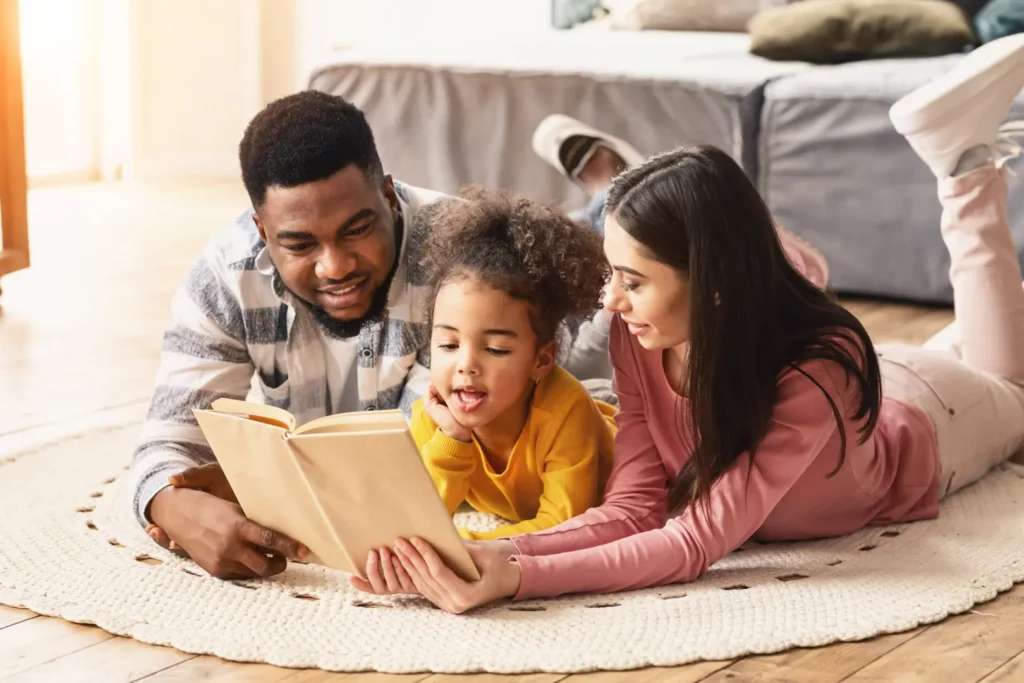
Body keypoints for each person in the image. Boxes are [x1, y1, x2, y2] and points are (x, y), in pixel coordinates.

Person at [356, 34, 1024, 613]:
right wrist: (487, 550)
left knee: (1009, 385)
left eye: (635, 280)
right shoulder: (639, 332)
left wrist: (518, 576)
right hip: (825, 352)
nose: (612, 301)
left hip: (932, 414)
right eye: (614, 273)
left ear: (710, 286)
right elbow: (636, 509)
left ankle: (964, 170)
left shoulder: (816, 372)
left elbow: (693, 540)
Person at [132, 91, 613, 580]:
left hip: (553, 325)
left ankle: (609, 192)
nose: (335, 266)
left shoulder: (462, 268)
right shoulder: (224, 278)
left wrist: (257, 484)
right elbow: (168, 437)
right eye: (299, 244)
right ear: (261, 228)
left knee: (611, 262)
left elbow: (407, 468)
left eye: (356, 230)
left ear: (388, 195)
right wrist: (169, 505)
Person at [349, 190, 618, 594]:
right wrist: (453, 441)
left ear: (541, 361)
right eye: (448, 345)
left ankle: (606, 194)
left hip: (626, 436)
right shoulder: (434, 415)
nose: (466, 365)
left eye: (495, 349)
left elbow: (564, 525)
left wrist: (467, 549)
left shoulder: (564, 409)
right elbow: (422, 519)